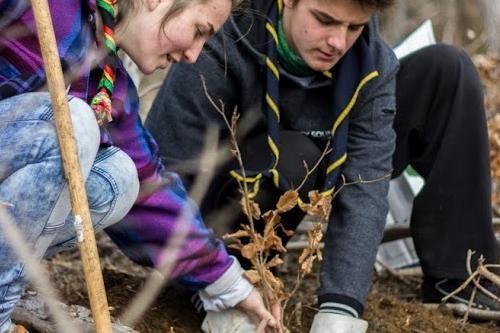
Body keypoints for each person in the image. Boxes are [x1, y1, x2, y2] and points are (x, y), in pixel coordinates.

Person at [145, 0, 500, 331]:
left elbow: (365, 184)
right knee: (294, 154)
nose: (338, 42)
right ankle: (241, 275)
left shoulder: (370, 62)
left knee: (447, 69)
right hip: (232, 202)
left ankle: (460, 277)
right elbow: (169, 173)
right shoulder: (219, 41)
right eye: (324, 20)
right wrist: (211, 279)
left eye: (354, 27)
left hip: (325, 161)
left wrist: (342, 307)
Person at [0, 1, 282, 332]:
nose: (193, 54)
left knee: (119, 178)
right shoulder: (46, 7)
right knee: (72, 124)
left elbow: (149, 191)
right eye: (198, 31)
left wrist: (230, 285)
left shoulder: (105, 77)